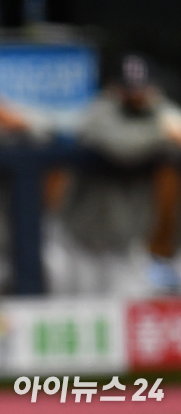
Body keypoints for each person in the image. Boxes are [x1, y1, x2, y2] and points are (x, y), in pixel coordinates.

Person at [44, 53, 181, 297]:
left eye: (143, 87)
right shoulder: (97, 113)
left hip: (125, 246)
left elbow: (173, 122)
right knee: (76, 312)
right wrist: (162, 134)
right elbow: (121, 145)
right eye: (129, 88)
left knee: (125, 314)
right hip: (77, 244)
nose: (136, 94)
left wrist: (166, 127)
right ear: (114, 87)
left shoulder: (158, 112)